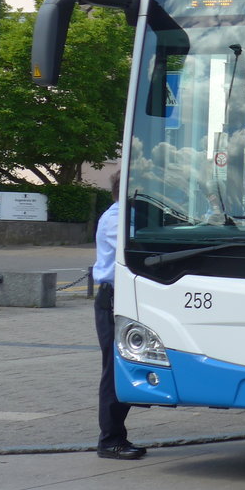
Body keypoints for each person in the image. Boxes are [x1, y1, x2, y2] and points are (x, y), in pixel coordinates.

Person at [93, 171, 146, 460]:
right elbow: (136, 247)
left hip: (123, 298)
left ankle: (115, 436)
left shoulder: (125, 215)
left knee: (121, 365)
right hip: (113, 299)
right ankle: (110, 439)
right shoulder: (116, 219)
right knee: (114, 370)